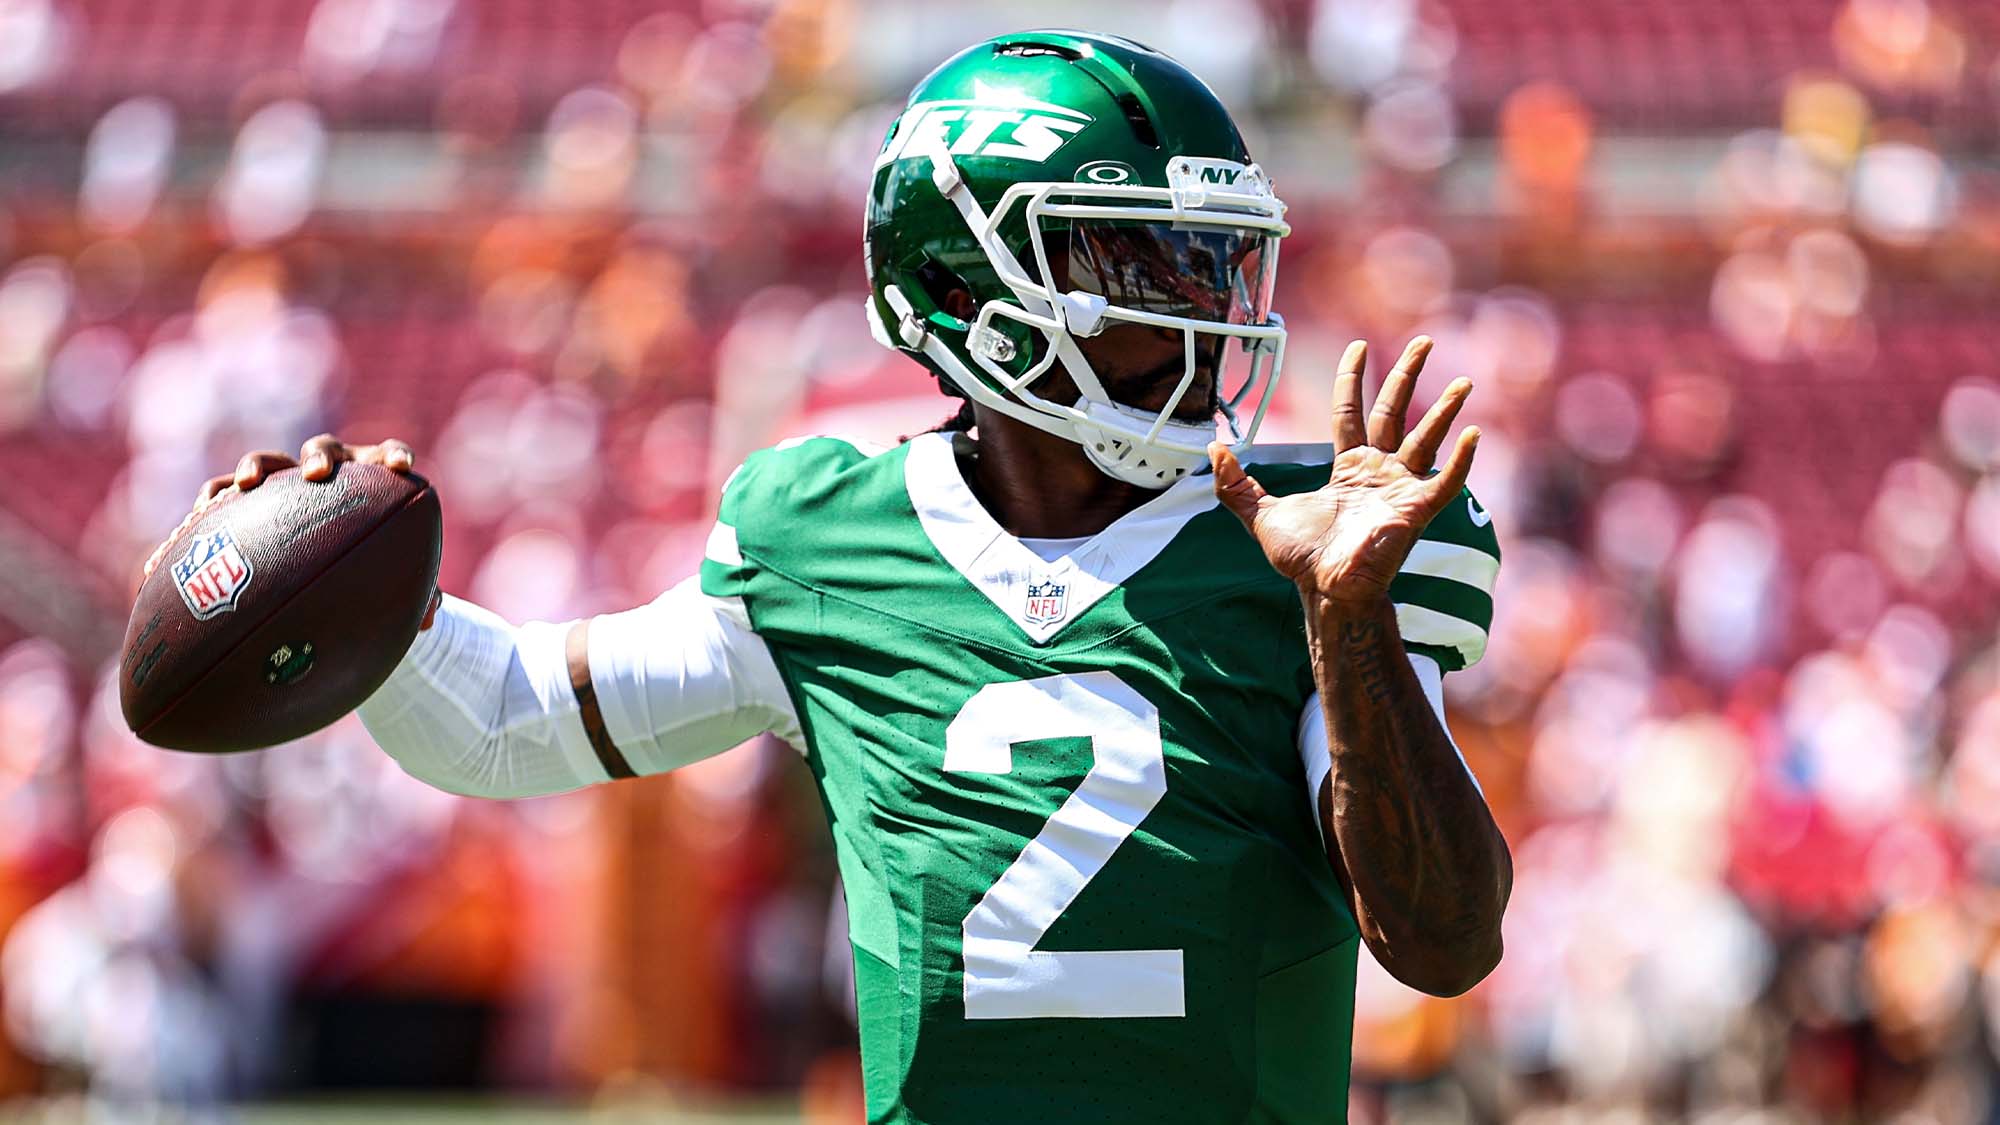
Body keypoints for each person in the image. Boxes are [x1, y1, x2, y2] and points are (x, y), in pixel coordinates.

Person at [159, 30, 1510, 1124]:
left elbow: (1443, 941)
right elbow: (507, 721)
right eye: (1140, 259)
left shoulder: (1309, 540)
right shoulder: (825, 535)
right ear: (969, 287)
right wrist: (351, 586)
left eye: (1215, 259)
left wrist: (1349, 623)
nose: (1207, 309)